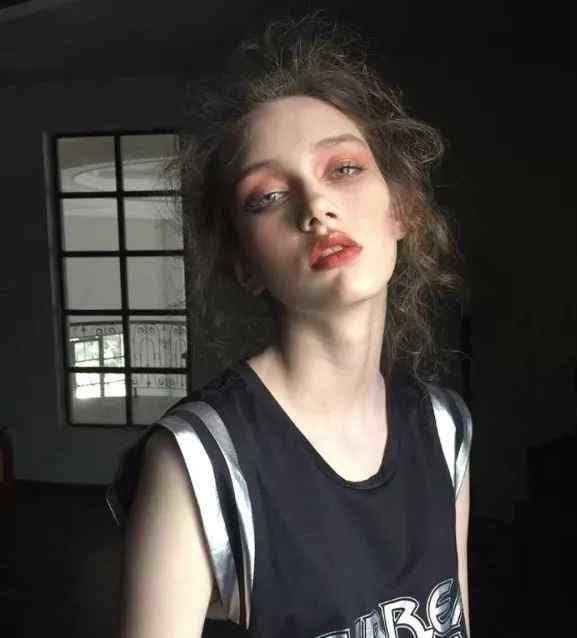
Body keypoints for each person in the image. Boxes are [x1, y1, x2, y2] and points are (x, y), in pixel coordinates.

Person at [106, 12, 473, 638]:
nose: (316, 206)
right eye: (268, 197)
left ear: (402, 209)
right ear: (245, 264)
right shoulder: (198, 459)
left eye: (344, 168)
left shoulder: (444, 427)